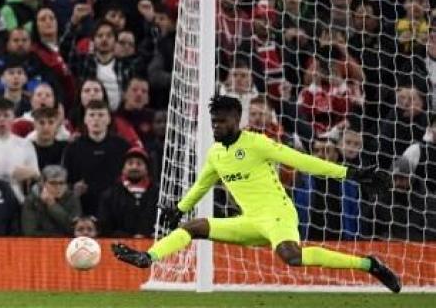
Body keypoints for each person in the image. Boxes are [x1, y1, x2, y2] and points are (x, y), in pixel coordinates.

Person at [111, 95, 402, 294]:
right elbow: (202, 185)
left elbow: (300, 160)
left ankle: (369, 265)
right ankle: (148, 258)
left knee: (290, 256)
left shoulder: (258, 143)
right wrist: (180, 207)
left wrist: (349, 173)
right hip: (250, 220)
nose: (216, 127)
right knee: (193, 227)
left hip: (278, 214)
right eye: (213, 122)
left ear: (237, 119)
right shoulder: (216, 155)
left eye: (222, 121)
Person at [21, 164, 81, 236]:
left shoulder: (72, 198)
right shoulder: (32, 200)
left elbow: (74, 228)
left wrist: (52, 206)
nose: (58, 187)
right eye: (53, 183)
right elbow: (30, 232)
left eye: (61, 183)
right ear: (42, 183)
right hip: (40, 244)